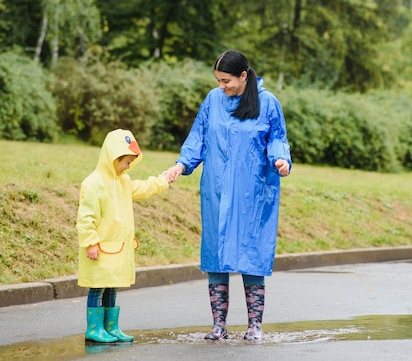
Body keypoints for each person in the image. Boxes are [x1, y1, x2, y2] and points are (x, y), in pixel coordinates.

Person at [166, 50, 292, 341]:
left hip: (253, 192)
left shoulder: (268, 103)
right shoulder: (213, 100)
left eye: (227, 81)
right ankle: (218, 325)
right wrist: (181, 164)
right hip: (218, 190)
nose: (222, 86)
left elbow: (278, 139)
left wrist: (280, 160)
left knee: (252, 252)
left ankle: (254, 326)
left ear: (244, 76)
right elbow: (198, 136)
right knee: (216, 254)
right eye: (219, 81)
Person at [77, 128, 173, 344]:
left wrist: (164, 180)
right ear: (113, 157)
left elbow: (145, 188)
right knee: (97, 286)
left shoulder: (124, 182)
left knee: (112, 286)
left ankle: (111, 327)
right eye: (127, 162)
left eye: (131, 162)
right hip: (100, 249)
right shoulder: (93, 183)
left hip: (117, 248)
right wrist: (90, 242)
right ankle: (94, 329)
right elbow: (86, 218)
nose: (129, 166)